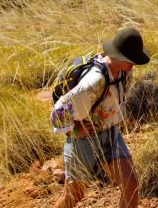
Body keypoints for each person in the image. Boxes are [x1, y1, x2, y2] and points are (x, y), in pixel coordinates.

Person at [51, 26, 150, 208]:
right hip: (83, 142)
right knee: (74, 196)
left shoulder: (124, 71)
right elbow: (59, 111)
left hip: (110, 135)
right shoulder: (94, 81)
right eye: (131, 59)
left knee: (131, 186)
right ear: (119, 54)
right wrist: (75, 130)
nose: (133, 64)